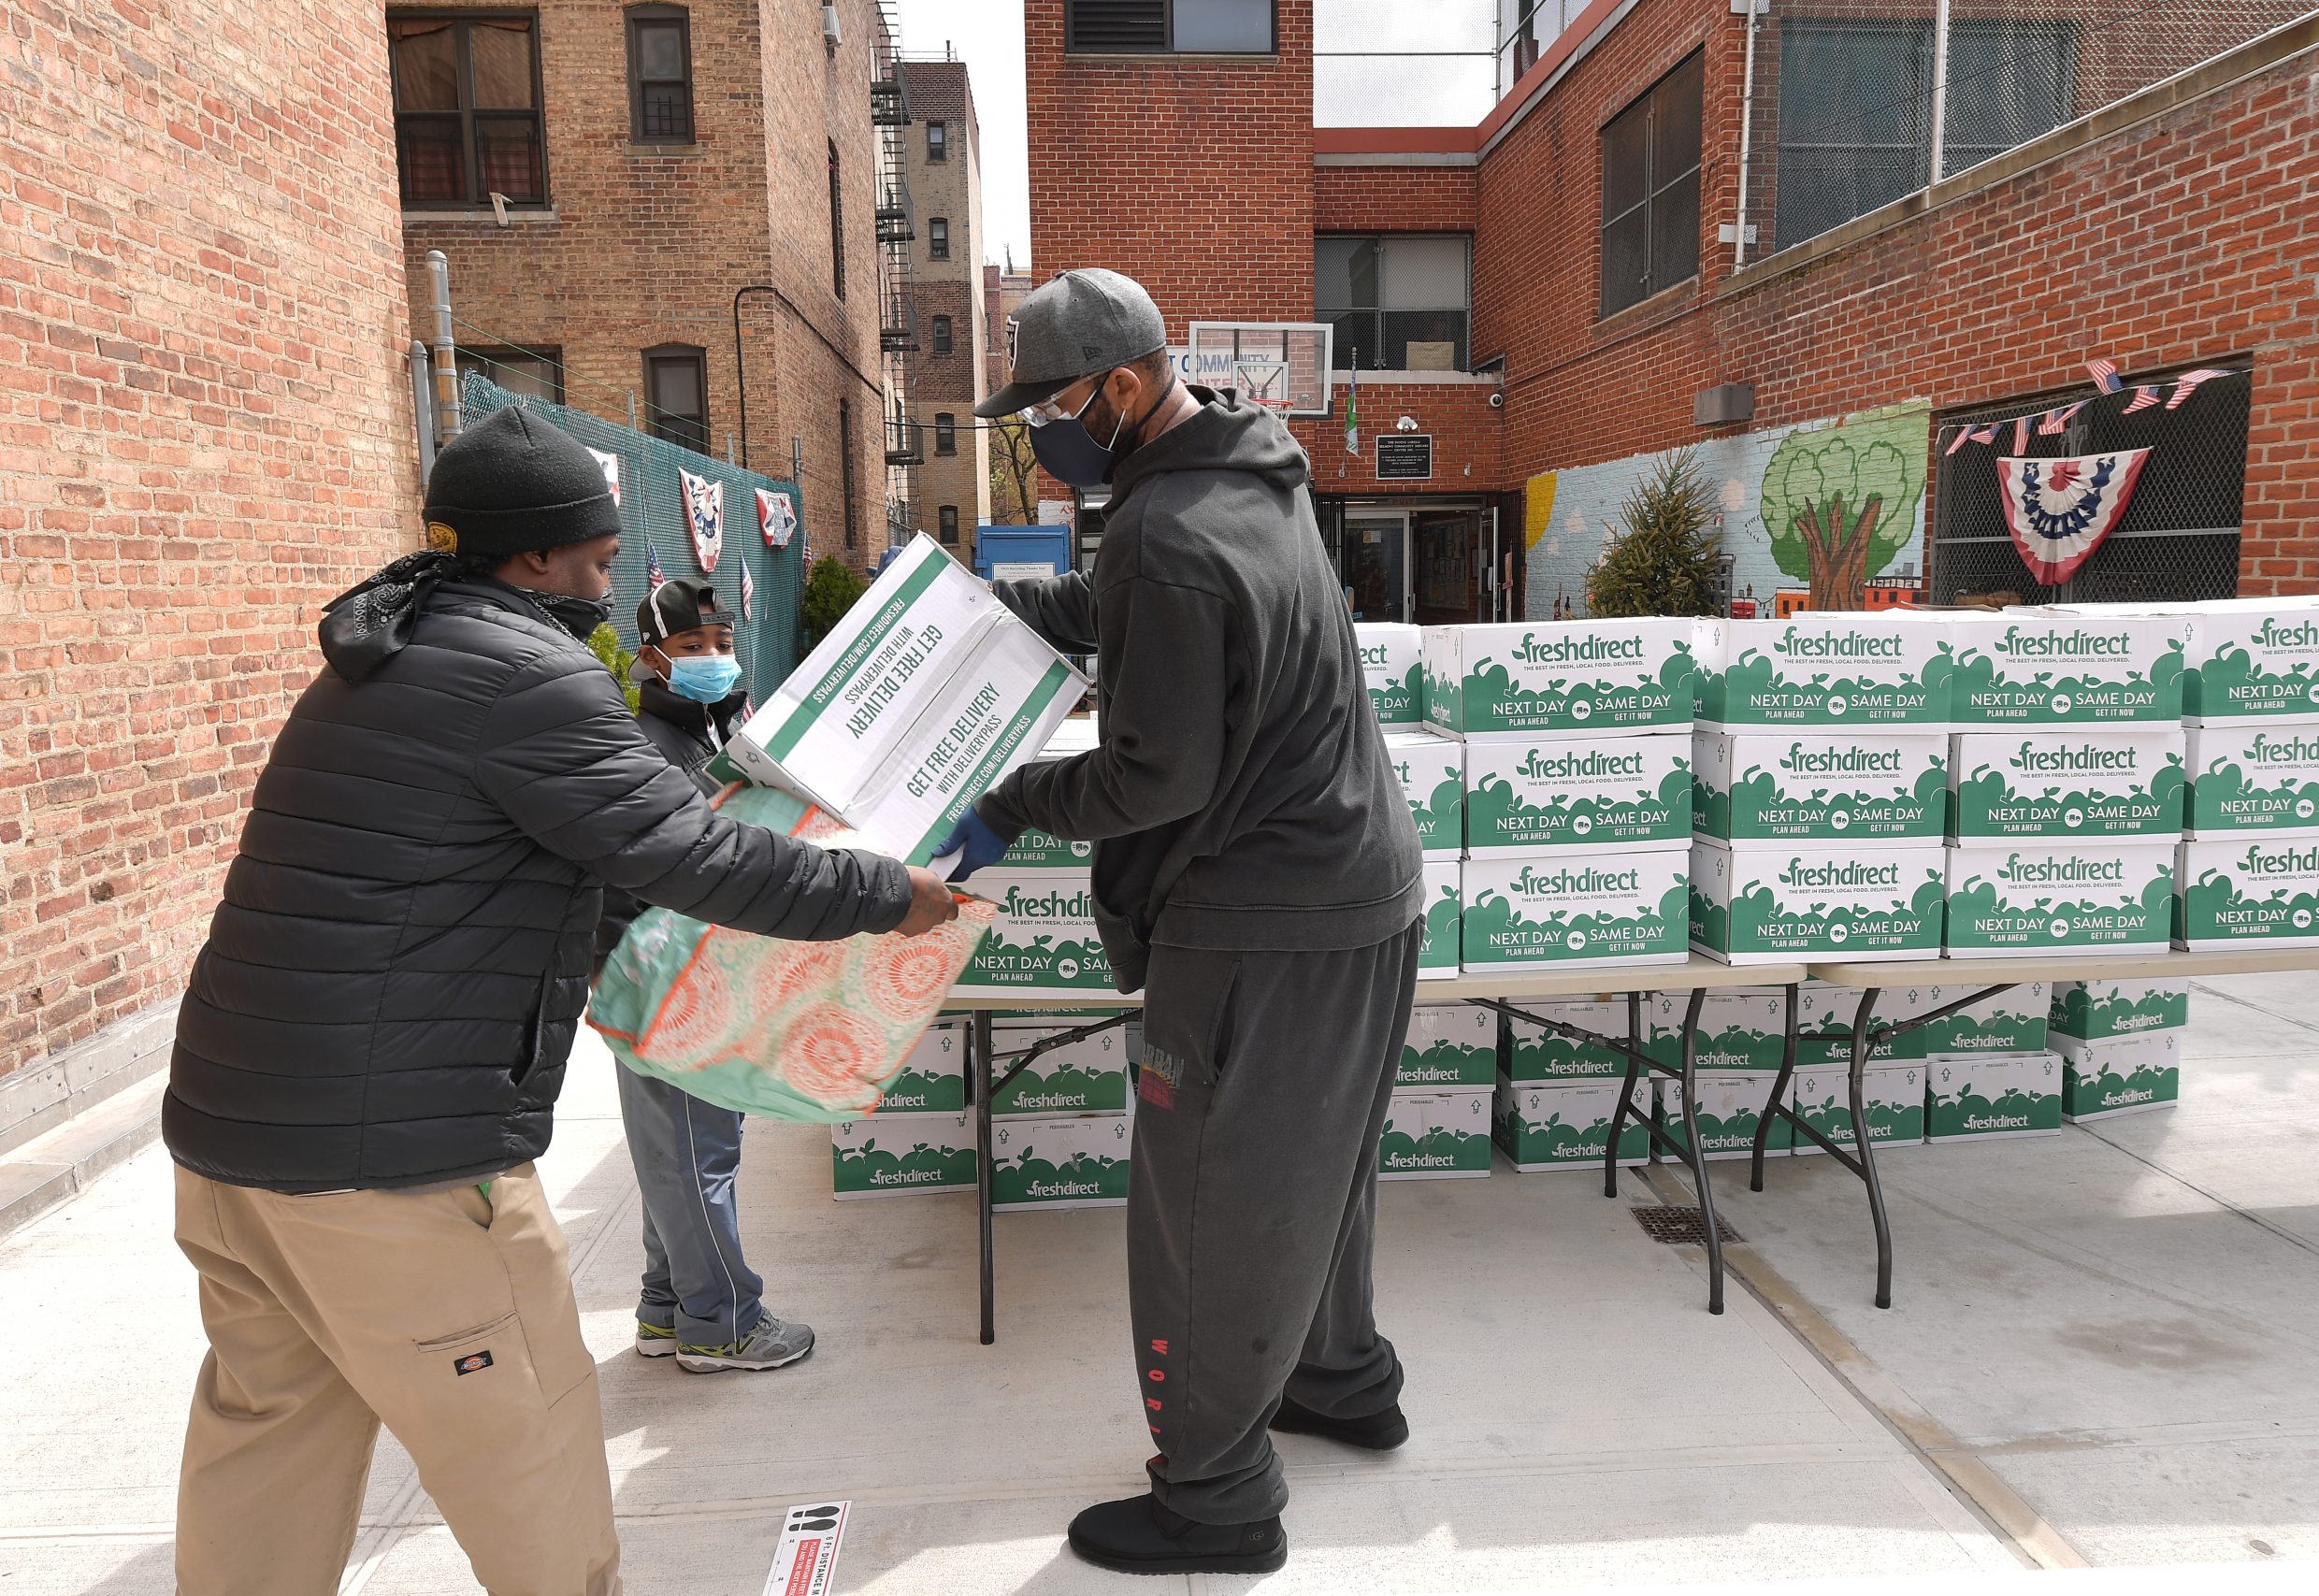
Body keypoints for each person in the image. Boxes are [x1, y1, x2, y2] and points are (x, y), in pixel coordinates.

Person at [163, 407, 957, 1596]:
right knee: (529, 1460)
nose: (609, 578)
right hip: (396, 1170)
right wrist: (890, 895)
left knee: (268, 1449)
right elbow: (700, 858)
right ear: (528, 557)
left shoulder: (378, 655)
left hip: (233, 1147)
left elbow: (472, 862)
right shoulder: (527, 678)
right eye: (591, 555)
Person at [938, 268, 1426, 1577]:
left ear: (1125, 385)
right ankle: (1340, 1376)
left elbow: (1155, 774)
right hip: (1363, 890)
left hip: (1259, 917)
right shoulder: (1257, 481)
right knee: (1316, 1167)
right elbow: (1160, 628)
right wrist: (998, 605)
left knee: (1211, 1202)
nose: (1035, 436)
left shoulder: (1159, 530)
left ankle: (1216, 1496)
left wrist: (1010, 800)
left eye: (1046, 407)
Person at [590, 578, 810, 1373]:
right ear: (651, 657)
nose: (714, 658)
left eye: (721, 643)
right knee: (694, 1155)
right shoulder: (650, 744)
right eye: (692, 648)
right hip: (662, 974)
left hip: (678, 967)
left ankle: (665, 1306)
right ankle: (724, 1324)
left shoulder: (709, 730)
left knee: (670, 1151)